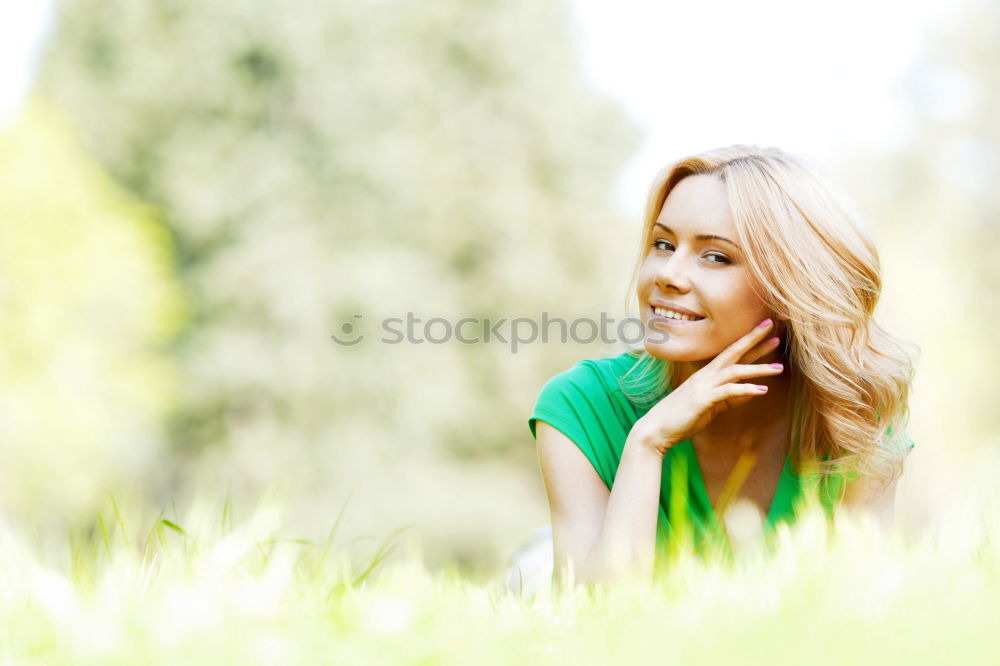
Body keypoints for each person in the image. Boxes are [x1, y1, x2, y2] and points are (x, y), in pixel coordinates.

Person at [525, 145, 918, 588]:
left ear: (793, 285)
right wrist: (647, 444)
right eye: (663, 244)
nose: (667, 274)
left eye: (716, 256)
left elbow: (858, 611)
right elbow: (593, 618)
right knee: (533, 578)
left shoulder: (853, 412)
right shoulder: (580, 405)